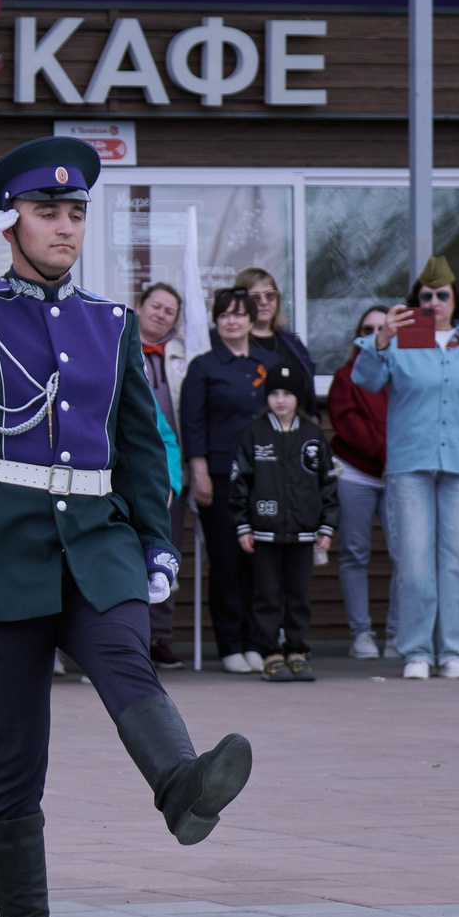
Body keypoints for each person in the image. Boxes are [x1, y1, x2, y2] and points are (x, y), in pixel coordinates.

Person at [0, 137, 249, 917]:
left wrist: (154, 539)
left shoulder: (110, 323)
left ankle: (182, 785)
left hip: (94, 535)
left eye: (77, 212)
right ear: (13, 223)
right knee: (14, 754)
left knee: (124, 656)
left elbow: (138, 446)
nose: (66, 227)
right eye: (48, 212)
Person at [346, 256, 459, 680]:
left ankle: (455, 650)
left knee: (458, 560)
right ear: (415, 301)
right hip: (410, 465)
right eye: (426, 295)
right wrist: (381, 337)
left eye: (442, 294)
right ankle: (417, 650)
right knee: (415, 560)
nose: (435, 301)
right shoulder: (402, 342)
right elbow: (363, 379)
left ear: (456, 300)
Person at [224, 361, 335, 682]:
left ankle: (297, 650)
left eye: (288, 393)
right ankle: (270, 652)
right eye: (274, 393)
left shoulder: (313, 435)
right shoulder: (254, 433)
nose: (281, 400)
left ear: (298, 397)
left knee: (298, 594)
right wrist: (243, 525)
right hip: (264, 532)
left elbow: (328, 483)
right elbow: (239, 482)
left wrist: (326, 526)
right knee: (268, 594)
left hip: (304, 532)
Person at [180, 288, 267, 670]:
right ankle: (230, 643)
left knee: (261, 561)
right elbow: (192, 424)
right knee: (227, 559)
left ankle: (256, 640)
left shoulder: (270, 363)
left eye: (240, 314)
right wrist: (200, 473)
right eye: (225, 314)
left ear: (252, 320)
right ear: (216, 321)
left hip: (266, 477)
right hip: (219, 476)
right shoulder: (203, 367)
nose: (232, 320)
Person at [326, 306, 393, 659]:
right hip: (356, 473)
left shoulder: (405, 372)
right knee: (354, 553)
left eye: (382, 328)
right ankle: (361, 634)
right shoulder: (345, 375)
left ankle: (399, 635)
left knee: (406, 556)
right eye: (366, 328)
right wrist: (384, 455)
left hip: (400, 474)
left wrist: (392, 460)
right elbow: (346, 422)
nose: (373, 334)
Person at [132, 281, 190, 666]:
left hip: (162, 476)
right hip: (113, 481)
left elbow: (167, 437)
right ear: (139, 306)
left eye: (170, 311)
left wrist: (170, 481)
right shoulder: (115, 347)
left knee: (160, 558)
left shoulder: (181, 354)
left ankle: (158, 638)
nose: (161, 314)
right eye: (156, 306)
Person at [231, 268, 315, 398]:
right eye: (255, 298)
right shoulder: (232, 342)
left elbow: (306, 386)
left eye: (270, 295)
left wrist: (313, 415)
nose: (264, 302)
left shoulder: (292, 343)